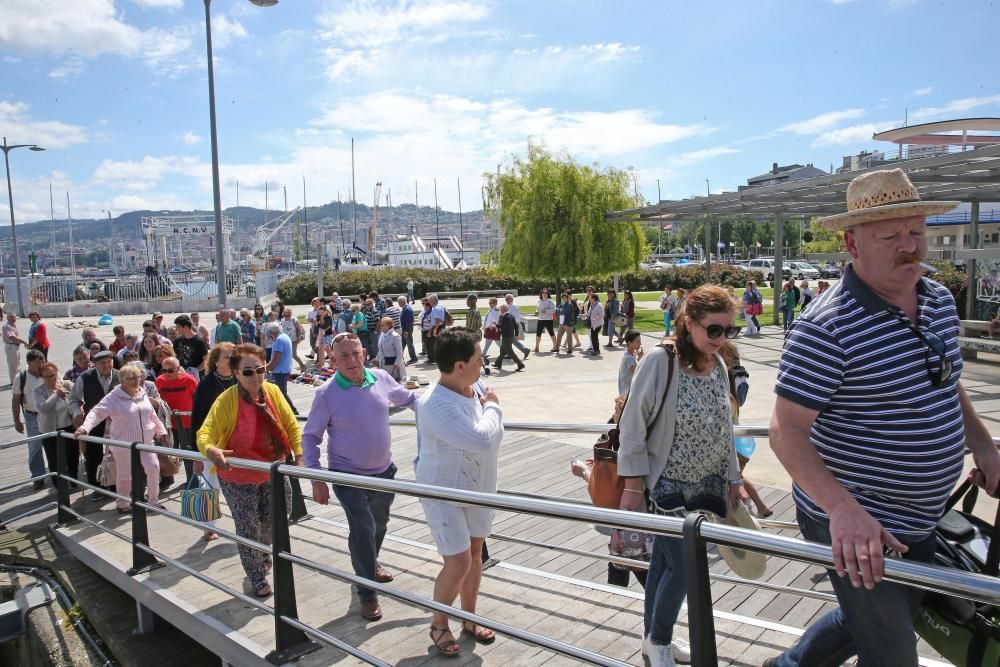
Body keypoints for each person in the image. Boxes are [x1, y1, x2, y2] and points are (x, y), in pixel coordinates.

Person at [765, 169, 1000, 667]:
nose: (909, 247)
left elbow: (944, 378)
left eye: (916, 232)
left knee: (867, 621)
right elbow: (785, 432)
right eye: (891, 236)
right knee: (892, 652)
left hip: (923, 517)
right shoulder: (825, 327)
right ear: (852, 243)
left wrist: (982, 443)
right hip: (859, 519)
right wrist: (844, 512)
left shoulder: (935, 298)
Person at [617, 284, 746, 666]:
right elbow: (632, 424)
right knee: (686, 567)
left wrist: (733, 477)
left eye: (729, 331)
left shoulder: (718, 365)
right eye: (714, 330)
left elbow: (726, 426)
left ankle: (652, 639)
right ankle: (659, 641)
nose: (721, 339)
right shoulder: (661, 361)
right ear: (688, 323)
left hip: (705, 484)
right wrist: (633, 483)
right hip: (666, 485)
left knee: (665, 564)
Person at [301, 333, 417, 621]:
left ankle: (369, 562)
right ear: (333, 359)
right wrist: (317, 479)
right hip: (348, 476)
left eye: (356, 354)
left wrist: (445, 405)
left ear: (364, 352)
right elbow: (310, 437)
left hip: (384, 472)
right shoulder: (326, 393)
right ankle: (366, 592)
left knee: (378, 526)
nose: (352, 361)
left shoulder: (379, 377)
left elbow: (410, 399)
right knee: (364, 528)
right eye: (344, 356)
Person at [415, 328, 503, 656]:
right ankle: (440, 623)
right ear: (459, 365)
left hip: (479, 490)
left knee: (476, 553)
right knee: (458, 561)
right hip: (444, 491)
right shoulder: (435, 404)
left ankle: (468, 616)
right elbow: (482, 438)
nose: (484, 364)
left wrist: (490, 417)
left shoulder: (473, 386)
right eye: (479, 360)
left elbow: (488, 436)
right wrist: (494, 408)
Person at [197, 343, 303, 597]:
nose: (255, 376)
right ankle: (256, 575)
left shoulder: (273, 392)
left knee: (279, 517)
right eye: (247, 372)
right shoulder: (226, 400)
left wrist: (299, 455)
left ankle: (261, 550)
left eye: (260, 369)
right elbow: (205, 432)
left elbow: (290, 424)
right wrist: (211, 451)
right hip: (238, 474)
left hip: (271, 470)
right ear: (235, 373)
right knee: (248, 526)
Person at [76, 363, 169, 513]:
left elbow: (151, 414)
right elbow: (96, 413)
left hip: (146, 441)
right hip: (123, 443)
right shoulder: (113, 397)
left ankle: (153, 501)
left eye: (138, 377)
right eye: (131, 378)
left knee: (153, 468)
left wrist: (161, 430)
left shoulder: (142, 392)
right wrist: (85, 427)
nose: (136, 380)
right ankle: (123, 503)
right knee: (126, 475)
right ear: (122, 380)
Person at [189, 342, 236, 541]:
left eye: (234, 355)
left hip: (236, 444)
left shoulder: (240, 379)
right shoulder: (206, 385)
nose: (231, 359)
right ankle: (208, 528)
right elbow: (197, 421)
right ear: (216, 361)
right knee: (210, 487)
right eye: (227, 357)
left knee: (239, 487)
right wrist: (196, 454)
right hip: (212, 445)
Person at [69, 351, 120, 498]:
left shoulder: (120, 375)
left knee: (117, 453)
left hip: (116, 421)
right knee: (93, 455)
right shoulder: (85, 377)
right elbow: (73, 398)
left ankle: (116, 486)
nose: (106, 366)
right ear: (95, 364)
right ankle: (97, 488)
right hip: (94, 421)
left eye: (109, 362)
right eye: (102, 363)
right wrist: (76, 413)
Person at [34, 362, 78, 486]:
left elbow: (79, 398)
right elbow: (43, 408)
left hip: (69, 426)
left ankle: (73, 479)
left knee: (72, 455)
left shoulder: (67, 384)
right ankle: (59, 486)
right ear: (42, 377)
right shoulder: (38, 391)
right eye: (46, 376)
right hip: (49, 430)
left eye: (52, 375)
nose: (51, 378)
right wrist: (56, 394)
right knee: (54, 459)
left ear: (57, 372)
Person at [13, 350, 48, 489]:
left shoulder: (47, 372)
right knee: (35, 447)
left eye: (43, 362)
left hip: (50, 414)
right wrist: (17, 420)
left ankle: (55, 473)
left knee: (53, 444)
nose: (42, 366)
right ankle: (38, 476)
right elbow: (16, 400)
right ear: (29, 363)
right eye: (39, 365)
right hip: (32, 416)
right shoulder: (20, 378)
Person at [265, 322, 298, 415]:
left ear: (272, 332)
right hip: (284, 369)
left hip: (280, 371)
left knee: (281, 393)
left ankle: (293, 411)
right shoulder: (285, 336)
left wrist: (267, 368)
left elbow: (276, 358)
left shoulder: (279, 340)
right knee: (280, 392)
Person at [493, 303, 525, 372]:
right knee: (502, 351)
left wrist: (496, 325)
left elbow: (502, 327)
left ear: (503, 309)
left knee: (510, 352)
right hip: (511, 336)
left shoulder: (505, 318)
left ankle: (520, 364)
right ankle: (498, 363)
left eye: (500, 309)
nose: (500, 310)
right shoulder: (511, 316)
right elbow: (515, 326)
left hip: (506, 338)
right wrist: (516, 335)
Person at [375, 316, 406, 381]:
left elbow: (399, 353)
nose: (380, 327)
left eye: (383, 325)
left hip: (393, 366)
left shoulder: (395, 336)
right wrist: (377, 359)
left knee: (393, 382)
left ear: (388, 326)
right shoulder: (382, 335)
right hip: (383, 364)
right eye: (381, 325)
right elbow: (380, 349)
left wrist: (397, 364)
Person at [2, 312, 26, 387]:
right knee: (13, 365)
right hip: (11, 347)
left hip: (15, 347)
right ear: (8, 318)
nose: (14, 319)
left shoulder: (13, 325)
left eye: (15, 317)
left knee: (17, 364)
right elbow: (12, 337)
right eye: (12, 317)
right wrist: (24, 342)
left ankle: (18, 380)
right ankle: (14, 382)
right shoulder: (7, 326)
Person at [281, 308, 307, 373]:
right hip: (285, 340)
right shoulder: (282, 320)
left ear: (290, 314)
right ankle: (286, 369)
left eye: (288, 315)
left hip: (293, 340)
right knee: (285, 355)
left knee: (294, 354)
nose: (286, 317)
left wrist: (299, 337)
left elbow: (299, 329)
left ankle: (302, 366)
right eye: (285, 315)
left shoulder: (294, 320)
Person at [504, 294, 530, 359]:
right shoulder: (512, 306)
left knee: (510, 340)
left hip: (512, 325)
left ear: (511, 299)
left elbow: (514, 317)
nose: (506, 300)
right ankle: (511, 353)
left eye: (507, 299)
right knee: (511, 340)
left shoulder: (512, 306)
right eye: (505, 299)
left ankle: (524, 350)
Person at [618, 330, 643, 397]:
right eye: (637, 341)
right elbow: (638, 374)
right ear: (629, 343)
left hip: (630, 391)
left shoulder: (630, 354)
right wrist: (641, 359)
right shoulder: (628, 358)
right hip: (628, 393)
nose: (640, 343)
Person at [534, 289, 557, 353]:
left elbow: (554, 310)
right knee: (538, 333)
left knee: (551, 333)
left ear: (548, 294)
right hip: (540, 319)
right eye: (543, 293)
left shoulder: (550, 301)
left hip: (548, 319)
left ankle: (555, 346)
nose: (544, 294)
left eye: (546, 293)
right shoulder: (539, 301)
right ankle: (537, 347)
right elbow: (537, 308)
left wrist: (546, 311)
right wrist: (536, 311)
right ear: (541, 294)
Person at [398, 296, 418, 364]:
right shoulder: (405, 308)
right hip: (405, 330)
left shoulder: (407, 309)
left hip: (407, 330)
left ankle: (414, 357)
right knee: (402, 344)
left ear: (403, 301)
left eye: (399, 302)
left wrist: (406, 331)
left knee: (409, 344)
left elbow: (408, 321)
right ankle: (400, 357)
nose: (398, 303)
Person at [419, 298, 436, 363]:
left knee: (429, 346)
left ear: (428, 306)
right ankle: (430, 358)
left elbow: (430, 324)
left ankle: (431, 359)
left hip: (428, 331)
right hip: (425, 331)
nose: (424, 307)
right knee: (427, 345)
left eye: (425, 306)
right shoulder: (427, 313)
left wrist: (429, 332)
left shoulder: (430, 314)